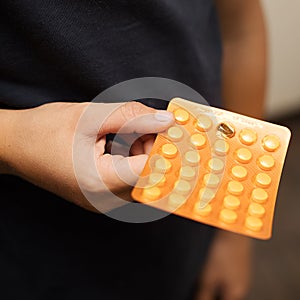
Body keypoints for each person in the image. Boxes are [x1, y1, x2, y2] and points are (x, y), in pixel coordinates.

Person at [0, 0, 266, 299]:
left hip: (189, 229)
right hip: (35, 247)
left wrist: (231, 237)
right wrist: (13, 141)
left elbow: (240, 30)